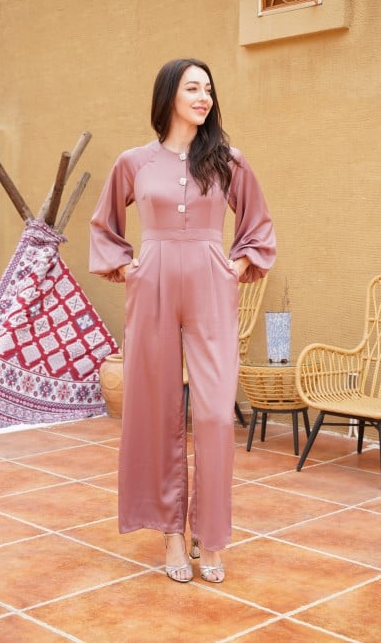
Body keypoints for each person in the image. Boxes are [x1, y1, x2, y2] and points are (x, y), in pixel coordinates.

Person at [89, 58, 276, 584]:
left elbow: (258, 223)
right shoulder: (134, 162)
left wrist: (235, 265)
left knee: (216, 415)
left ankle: (209, 535)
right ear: (169, 94)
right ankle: (170, 531)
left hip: (211, 286)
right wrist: (128, 266)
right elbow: (104, 224)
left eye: (209, 89)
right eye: (193, 87)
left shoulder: (228, 161)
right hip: (152, 287)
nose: (203, 97)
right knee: (154, 409)